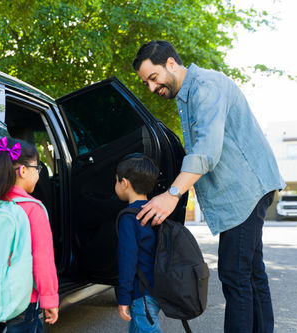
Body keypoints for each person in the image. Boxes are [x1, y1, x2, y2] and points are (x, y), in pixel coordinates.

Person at [132, 41, 285, 333]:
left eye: (153, 78)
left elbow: (206, 152)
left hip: (245, 189)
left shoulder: (205, 87)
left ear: (171, 64)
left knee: (235, 274)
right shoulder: (188, 95)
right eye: (146, 83)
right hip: (247, 188)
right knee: (252, 273)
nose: (151, 87)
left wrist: (172, 194)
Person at [0, 137, 59, 332]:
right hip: (22, 300)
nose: (38, 175)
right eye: (37, 169)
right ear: (23, 170)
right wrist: (49, 298)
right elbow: (42, 259)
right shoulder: (32, 209)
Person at [115, 153, 162, 333]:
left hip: (141, 293)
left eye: (116, 181)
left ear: (124, 183)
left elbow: (128, 260)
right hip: (156, 287)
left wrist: (123, 298)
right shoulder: (156, 211)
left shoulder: (129, 218)